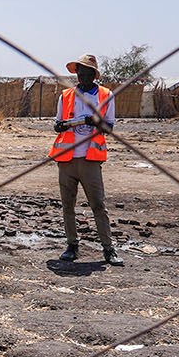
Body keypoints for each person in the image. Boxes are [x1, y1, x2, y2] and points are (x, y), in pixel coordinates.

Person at [49, 53, 123, 265]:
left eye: (86, 72)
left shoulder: (106, 95)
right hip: (67, 159)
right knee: (67, 205)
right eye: (78, 71)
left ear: (94, 74)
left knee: (98, 205)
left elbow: (109, 127)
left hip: (91, 159)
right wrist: (63, 125)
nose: (81, 75)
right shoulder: (66, 96)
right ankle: (72, 245)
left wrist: (95, 122)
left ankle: (108, 248)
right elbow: (57, 124)